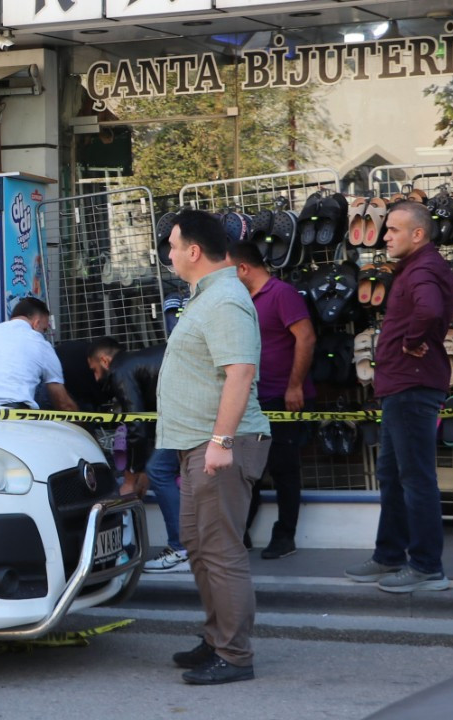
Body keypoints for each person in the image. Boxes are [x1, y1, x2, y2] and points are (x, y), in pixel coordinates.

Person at [156, 209, 271, 685]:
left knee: (220, 552)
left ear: (194, 251)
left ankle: (235, 655)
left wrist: (221, 442)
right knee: (201, 550)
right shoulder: (208, 297)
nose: (169, 254)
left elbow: (239, 372)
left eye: (173, 246)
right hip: (196, 445)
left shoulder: (224, 299)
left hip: (218, 445)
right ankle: (216, 639)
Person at [344, 202, 453, 593]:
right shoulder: (416, 268)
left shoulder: (423, 268)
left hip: (411, 386)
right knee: (391, 475)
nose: (385, 235)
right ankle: (389, 556)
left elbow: (429, 309)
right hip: (400, 387)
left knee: (415, 478)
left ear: (418, 234)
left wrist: (412, 341)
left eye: (393, 230)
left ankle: (427, 567)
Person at [230, 242, 317, 560]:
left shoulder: (281, 293)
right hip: (253, 398)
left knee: (283, 469)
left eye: (229, 271)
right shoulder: (244, 300)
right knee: (246, 469)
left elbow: (306, 337)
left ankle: (285, 536)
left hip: (281, 399)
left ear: (243, 268)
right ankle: (241, 534)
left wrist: (294, 386)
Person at [91, 338, 186, 573]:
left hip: (188, 413)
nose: (96, 378)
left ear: (105, 360)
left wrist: (133, 474)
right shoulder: (137, 363)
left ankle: (181, 550)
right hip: (189, 410)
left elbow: (137, 424)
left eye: (94, 370)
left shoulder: (121, 369)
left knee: (159, 471)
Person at [0, 297, 77, 411]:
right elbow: (63, 403)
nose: (43, 334)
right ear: (36, 323)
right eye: (44, 330)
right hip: (13, 417)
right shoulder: (40, 343)